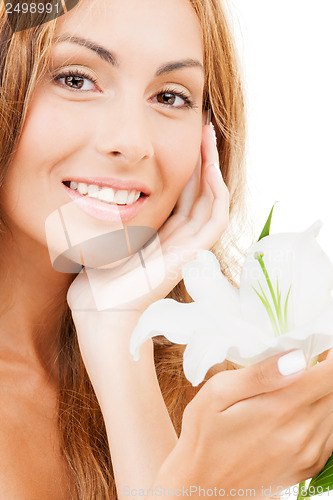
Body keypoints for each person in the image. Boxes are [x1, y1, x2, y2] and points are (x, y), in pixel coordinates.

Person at [1, 0, 333, 499]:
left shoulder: (212, 388)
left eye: (171, 96)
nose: (131, 142)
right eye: (75, 79)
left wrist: (115, 334)